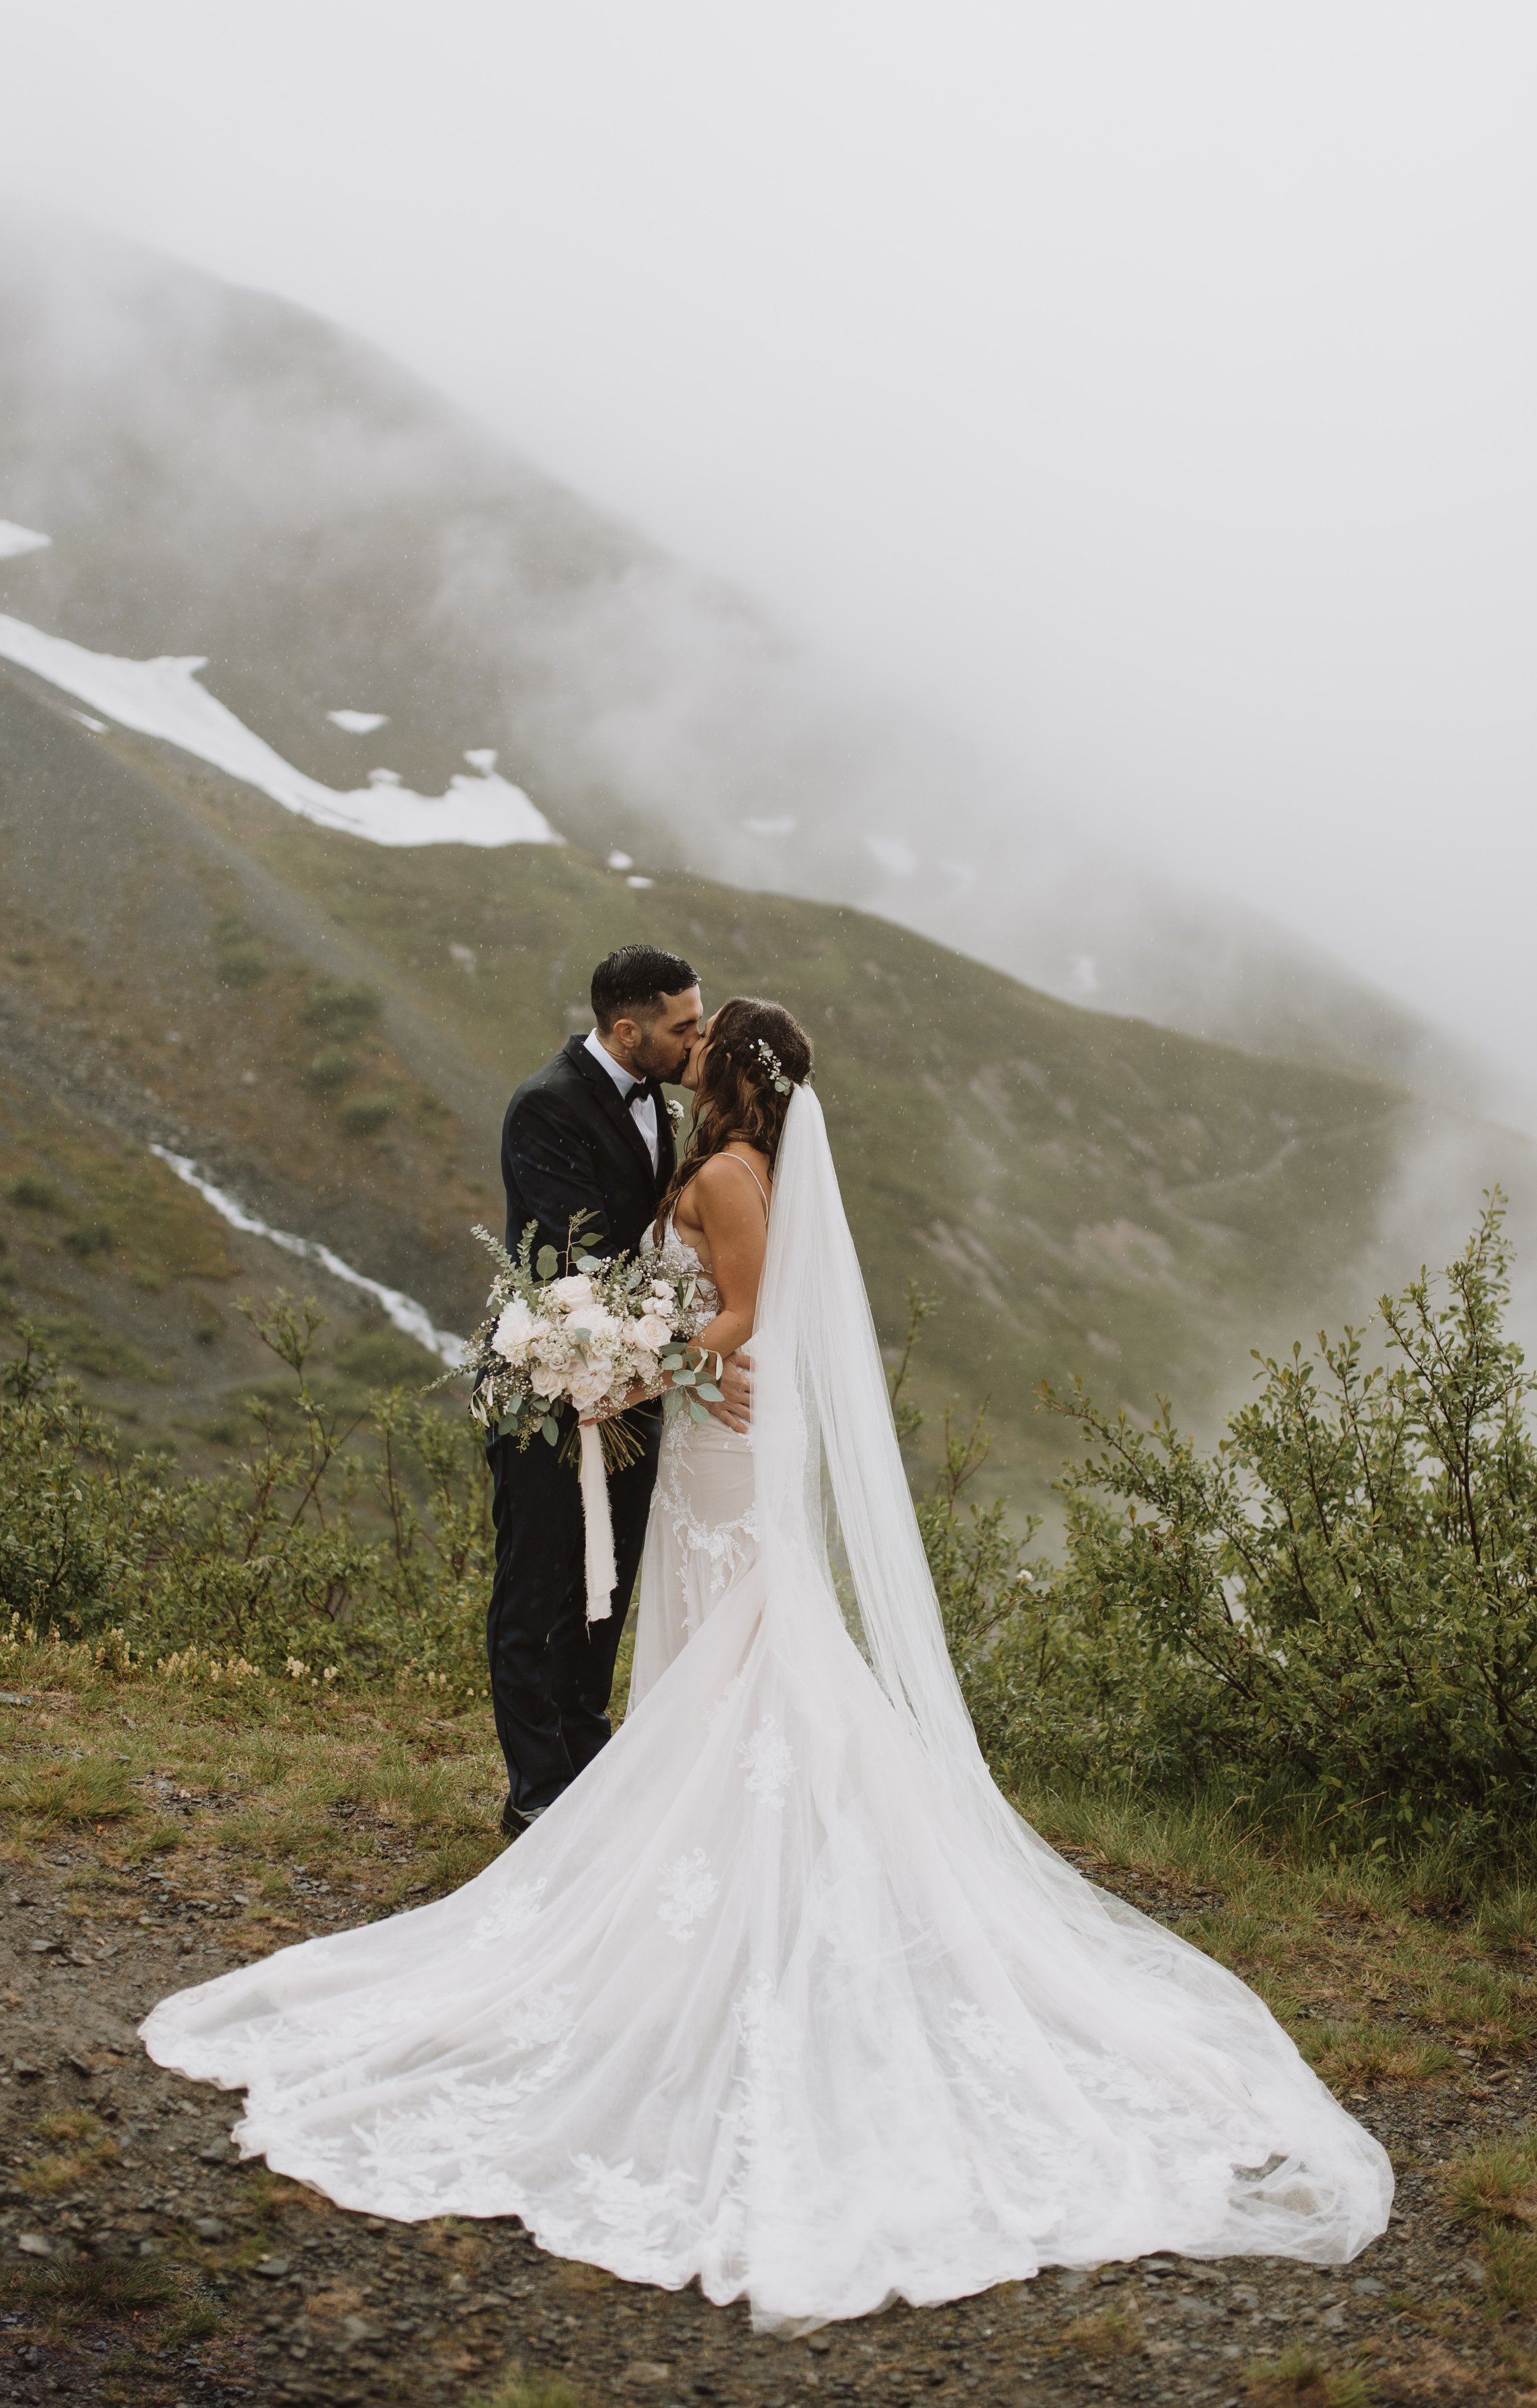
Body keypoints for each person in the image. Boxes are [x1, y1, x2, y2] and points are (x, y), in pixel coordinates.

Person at [142, 994, 1390, 2331]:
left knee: (753, 1649)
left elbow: (737, 1317)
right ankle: (751, 1862)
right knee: (731, 1657)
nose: (681, 1060)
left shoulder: (733, 1177)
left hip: (724, 1454)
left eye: (699, 1046)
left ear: (725, 1079)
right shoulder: (742, 1167)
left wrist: (636, 1364)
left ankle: (762, 1876)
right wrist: (647, 1366)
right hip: (715, 1445)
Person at [487, 945, 749, 1835]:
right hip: (553, 1381)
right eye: (684, 1026)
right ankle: (536, 1797)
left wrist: (671, 1365)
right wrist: (695, 1360)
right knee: (541, 1586)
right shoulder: (546, 1107)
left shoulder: (665, 1106)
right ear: (627, 1030)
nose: (697, 1039)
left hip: (635, 1386)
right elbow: (583, 1266)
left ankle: (590, 1769)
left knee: (609, 1584)